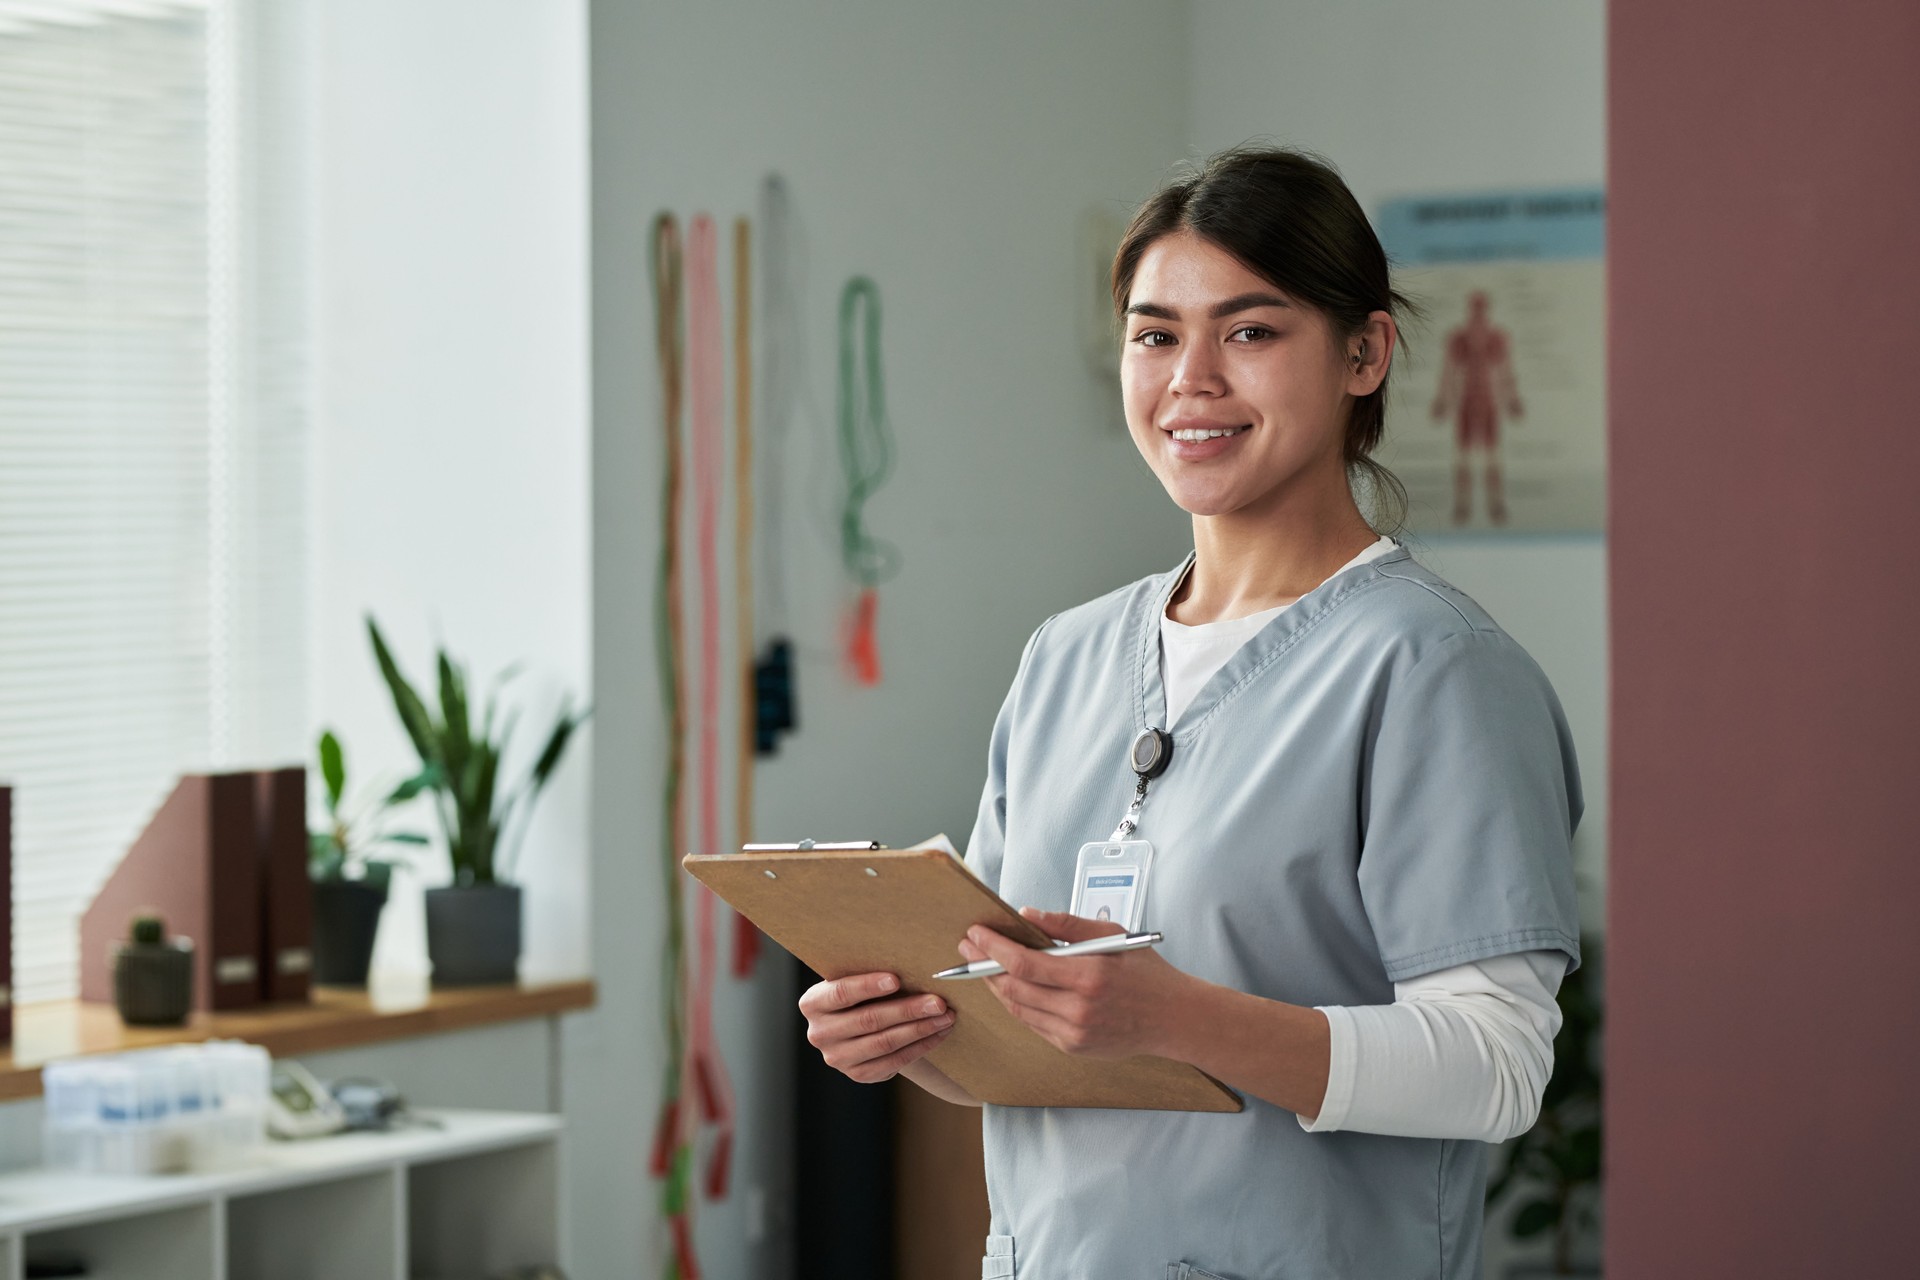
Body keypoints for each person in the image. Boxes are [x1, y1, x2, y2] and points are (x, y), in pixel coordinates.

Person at [798, 147, 1581, 1280]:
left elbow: (1497, 1066)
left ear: (1366, 352)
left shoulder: (1435, 668)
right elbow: (1019, 1040)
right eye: (1155, 334)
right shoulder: (1063, 658)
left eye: (1251, 332)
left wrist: (1175, 1015)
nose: (1191, 379)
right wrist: (910, 1038)